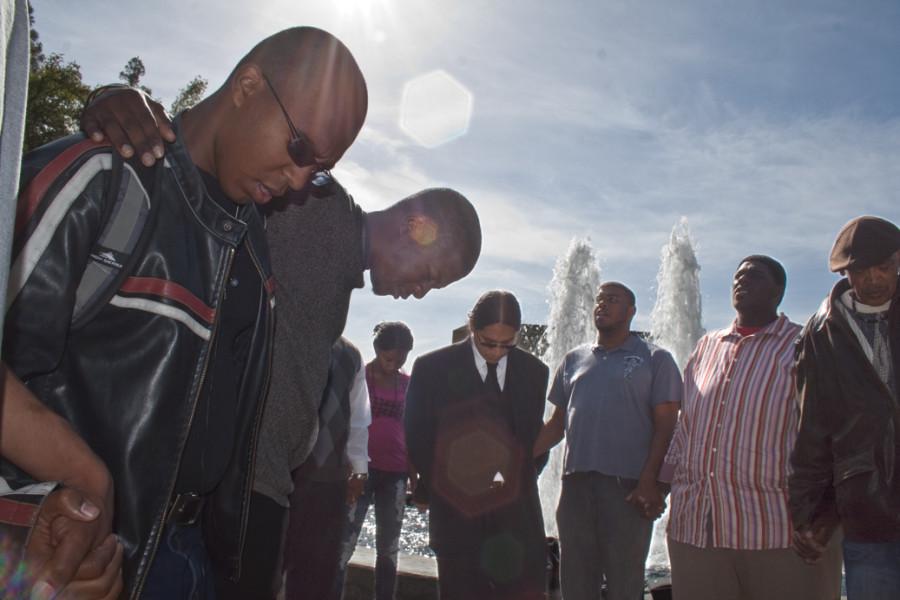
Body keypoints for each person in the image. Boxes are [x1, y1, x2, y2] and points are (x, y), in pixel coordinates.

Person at [4, 26, 368, 598]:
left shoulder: (253, 248)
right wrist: (51, 506)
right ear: (249, 85)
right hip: (78, 555)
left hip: (192, 560)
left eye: (318, 169)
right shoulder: (105, 179)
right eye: (301, 149)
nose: (300, 181)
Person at [664, 256, 842, 600]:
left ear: (779, 291)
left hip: (775, 531)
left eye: (754, 276)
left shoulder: (804, 346)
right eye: (737, 276)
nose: (741, 281)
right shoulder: (706, 347)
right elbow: (685, 429)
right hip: (698, 530)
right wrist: (657, 487)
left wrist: (827, 516)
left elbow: (832, 434)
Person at [534, 282, 682, 600]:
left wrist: (650, 482)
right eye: (599, 300)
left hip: (627, 489)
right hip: (575, 489)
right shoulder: (573, 360)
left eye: (612, 300)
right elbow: (556, 425)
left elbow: (667, 426)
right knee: (575, 582)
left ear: (631, 312)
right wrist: (514, 462)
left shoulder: (656, 359)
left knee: (623, 584)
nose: (602, 304)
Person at [406, 290, 549, 600]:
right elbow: (417, 436)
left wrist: (510, 482)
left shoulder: (535, 372)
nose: (497, 351)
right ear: (472, 327)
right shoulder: (432, 367)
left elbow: (532, 441)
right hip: (456, 516)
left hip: (516, 520)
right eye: (488, 342)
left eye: (507, 344)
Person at [790, 216, 900, 600]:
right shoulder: (821, 333)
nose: (872, 279)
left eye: (883, 267)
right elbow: (813, 426)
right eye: (860, 270)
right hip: (867, 511)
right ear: (845, 272)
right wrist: (808, 511)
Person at [284, 337, 370, 600]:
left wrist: (359, 468)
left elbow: (358, 419)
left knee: (319, 570)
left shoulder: (351, 355)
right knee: (269, 564)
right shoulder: (286, 334)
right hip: (282, 476)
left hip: (329, 481)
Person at [336, 322, 415, 600]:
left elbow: (412, 428)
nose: (395, 364)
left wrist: (414, 475)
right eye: (389, 358)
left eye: (402, 359)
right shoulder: (360, 378)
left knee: (389, 548)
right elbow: (346, 423)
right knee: (345, 541)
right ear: (376, 350)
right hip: (360, 471)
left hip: (395, 473)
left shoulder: (407, 383)